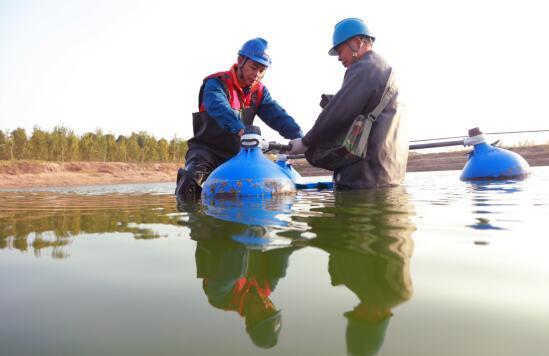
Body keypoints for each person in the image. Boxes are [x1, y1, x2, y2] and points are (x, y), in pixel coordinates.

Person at [176, 38, 303, 199]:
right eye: (254, 67)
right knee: (190, 179)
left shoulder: (259, 92)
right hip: (207, 152)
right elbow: (218, 106)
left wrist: (302, 138)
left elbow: (278, 116)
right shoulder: (215, 83)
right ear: (240, 61)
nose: (257, 74)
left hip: (240, 156)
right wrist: (240, 129)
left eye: (262, 70)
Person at [289, 18, 408, 190]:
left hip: (364, 179)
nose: (339, 58)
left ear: (357, 43)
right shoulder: (384, 68)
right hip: (388, 176)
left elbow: (338, 112)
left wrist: (306, 142)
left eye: (340, 50)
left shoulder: (366, 67)